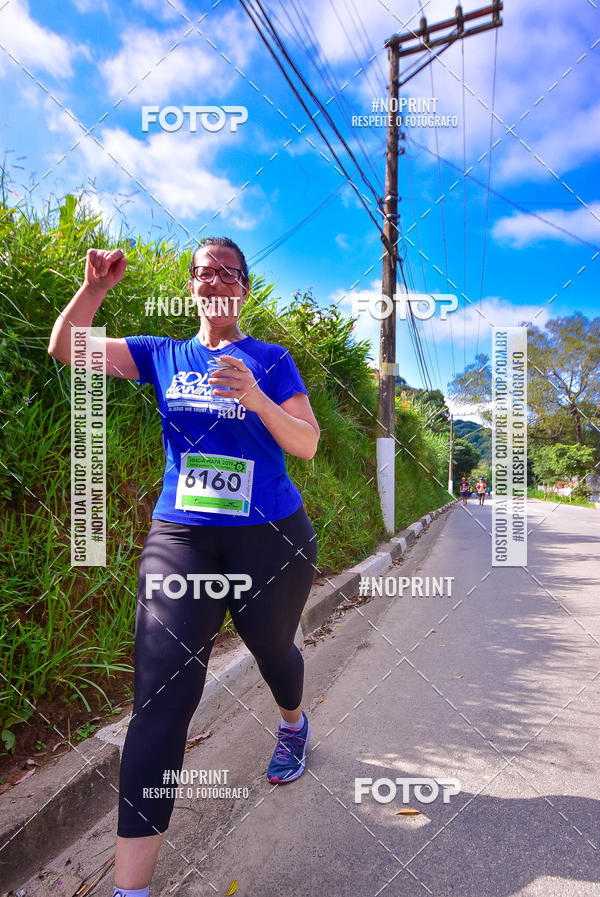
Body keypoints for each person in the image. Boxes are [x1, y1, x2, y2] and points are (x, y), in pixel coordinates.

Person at [47, 239, 321, 895]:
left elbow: (306, 443)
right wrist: (95, 289)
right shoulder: (161, 353)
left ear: (245, 288)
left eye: (227, 270)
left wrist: (257, 397)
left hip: (271, 536)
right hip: (184, 537)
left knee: (275, 650)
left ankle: (293, 724)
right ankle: (130, 890)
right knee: (162, 698)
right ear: (192, 287)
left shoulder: (271, 360)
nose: (213, 279)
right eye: (202, 271)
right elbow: (67, 347)